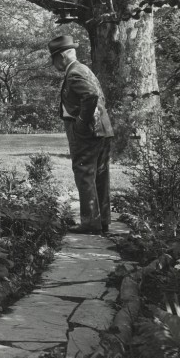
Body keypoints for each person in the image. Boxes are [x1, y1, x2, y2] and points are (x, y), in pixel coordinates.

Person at [48, 35, 114, 235]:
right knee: (100, 176)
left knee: (84, 174)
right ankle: (102, 220)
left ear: (61, 57)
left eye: (54, 60)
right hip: (102, 130)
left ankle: (89, 223)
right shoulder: (83, 69)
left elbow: (91, 96)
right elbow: (97, 95)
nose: (54, 64)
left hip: (87, 133)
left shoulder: (74, 73)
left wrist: (81, 123)